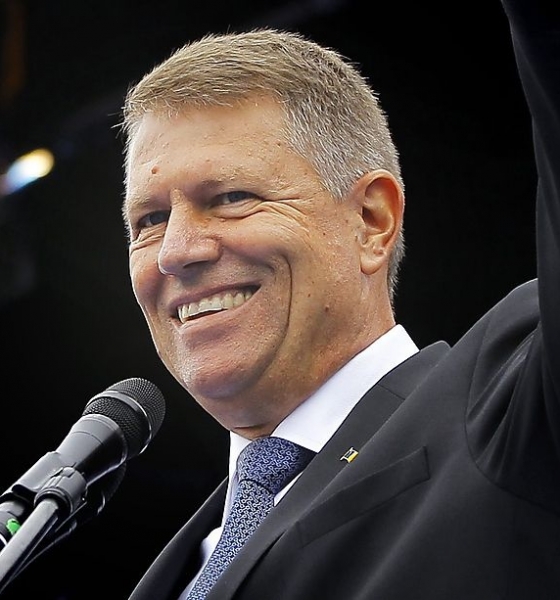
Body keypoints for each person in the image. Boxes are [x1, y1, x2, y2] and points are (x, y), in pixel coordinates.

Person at [120, 0, 560, 597]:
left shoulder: (515, 411)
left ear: (372, 221)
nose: (175, 252)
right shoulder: (180, 568)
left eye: (230, 198)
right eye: (149, 220)